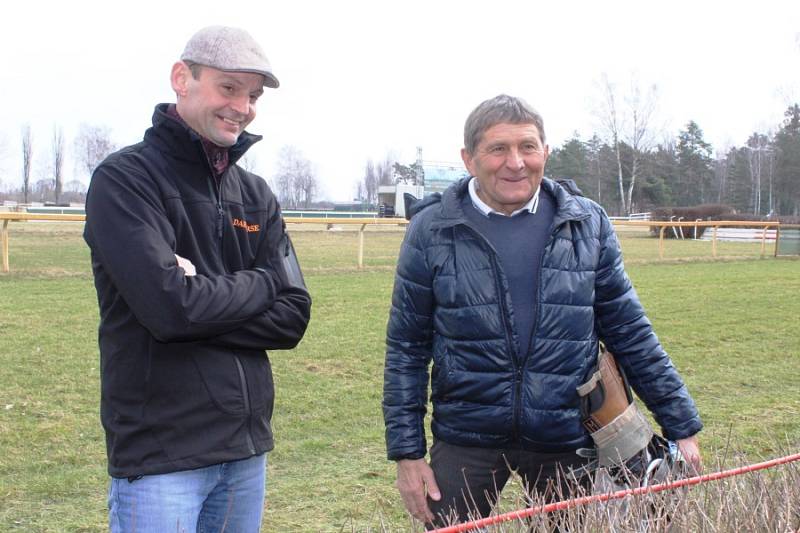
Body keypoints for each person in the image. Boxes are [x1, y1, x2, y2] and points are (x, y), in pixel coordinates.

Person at [382, 94, 702, 528]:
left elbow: (629, 329)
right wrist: (407, 453)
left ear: (545, 153)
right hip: (466, 435)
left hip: (565, 435)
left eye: (528, 147)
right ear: (469, 159)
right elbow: (407, 347)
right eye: (498, 148)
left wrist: (680, 423)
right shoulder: (431, 229)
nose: (515, 162)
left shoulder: (587, 224)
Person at [84, 26, 311, 532]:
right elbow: (170, 310)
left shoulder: (255, 193)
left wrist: (195, 293)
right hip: (162, 457)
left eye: (252, 95)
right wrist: (263, 282)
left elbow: (293, 318)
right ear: (181, 78)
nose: (243, 106)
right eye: (229, 87)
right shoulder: (126, 180)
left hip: (245, 453)